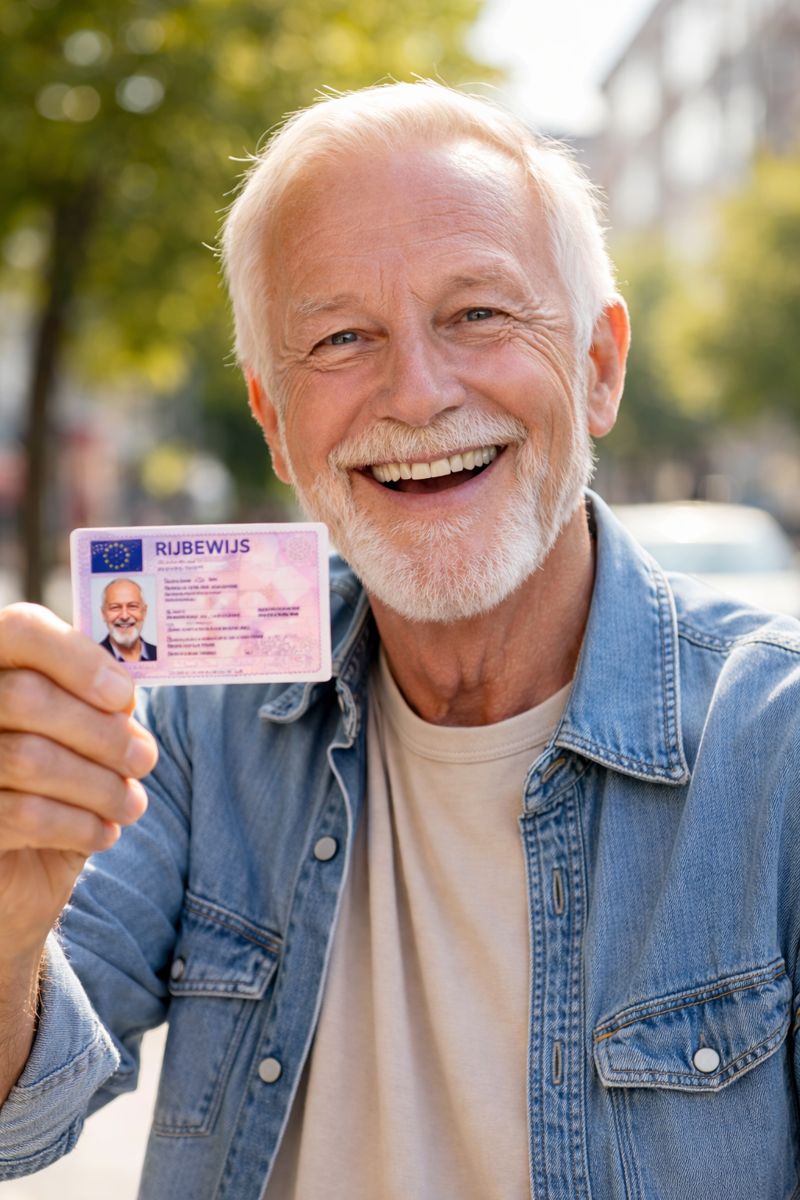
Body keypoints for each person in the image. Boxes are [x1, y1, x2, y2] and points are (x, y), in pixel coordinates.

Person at [0, 81, 799, 1200]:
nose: (416, 394)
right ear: (275, 423)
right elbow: (20, 1122)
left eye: (477, 313)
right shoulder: (191, 723)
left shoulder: (777, 749)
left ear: (599, 366)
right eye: (340, 337)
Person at [99, 577, 158, 663]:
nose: (124, 616)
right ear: (103, 614)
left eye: (132, 606)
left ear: (144, 612)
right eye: (115, 607)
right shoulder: (92, 659)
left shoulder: (161, 655)